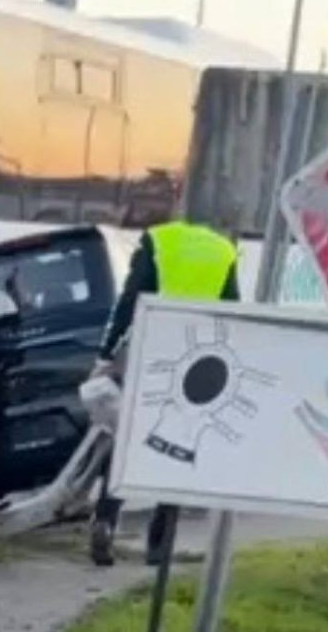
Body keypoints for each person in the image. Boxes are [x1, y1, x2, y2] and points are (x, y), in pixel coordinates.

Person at [90, 216, 239, 566]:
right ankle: (160, 545)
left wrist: (105, 354)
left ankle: (106, 521)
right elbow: (231, 310)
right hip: (196, 362)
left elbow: (128, 302)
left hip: (151, 352)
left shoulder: (157, 241)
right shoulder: (223, 251)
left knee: (128, 441)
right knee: (178, 445)